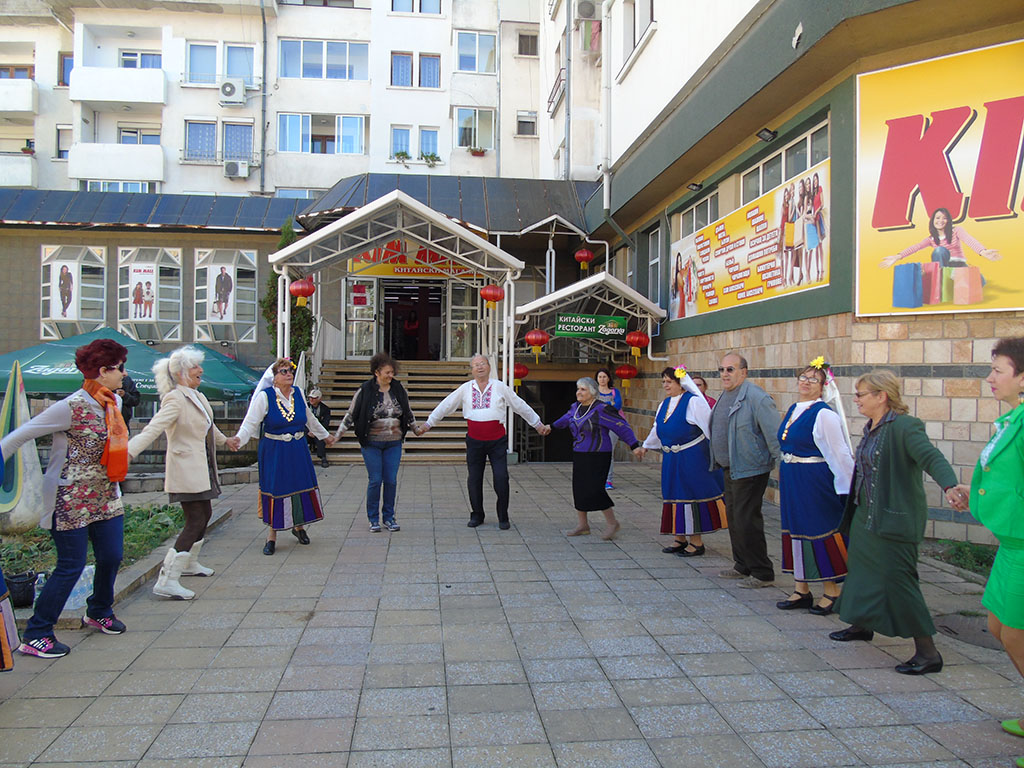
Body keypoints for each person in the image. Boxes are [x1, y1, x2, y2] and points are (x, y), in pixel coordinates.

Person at [0, 338, 129, 659]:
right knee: (71, 565)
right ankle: (37, 633)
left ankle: (99, 610)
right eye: (120, 368)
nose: (124, 374)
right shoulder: (69, 407)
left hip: (106, 494)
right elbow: (17, 437)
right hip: (69, 497)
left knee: (112, 556)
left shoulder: (113, 403)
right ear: (103, 371)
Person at [830, 369, 965, 676]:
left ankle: (928, 653)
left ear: (882, 396)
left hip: (894, 518)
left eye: (861, 394)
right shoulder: (872, 426)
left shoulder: (905, 426)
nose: (856, 399)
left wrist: (950, 486)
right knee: (861, 572)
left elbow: (931, 457)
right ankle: (861, 625)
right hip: (865, 514)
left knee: (900, 581)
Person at [954, 337, 1024, 749]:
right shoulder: (1012, 419)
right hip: (1012, 545)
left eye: (998, 370)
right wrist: (976, 493)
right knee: (999, 627)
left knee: (1015, 634)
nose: (990, 377)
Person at [127, 347, 229, 600]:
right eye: (195, 367)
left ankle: (190, 564)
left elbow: (209, 426)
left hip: (202, 467)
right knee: (195, 519)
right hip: (185, 469)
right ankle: (167, 580)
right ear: (181, 373)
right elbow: (154, 428)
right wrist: (128, 452)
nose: (201, 370)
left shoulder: (197, 396)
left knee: (205, 515)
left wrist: (228, 441)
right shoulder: (175, 399)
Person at [416, 354, 549, 529]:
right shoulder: (466, 388)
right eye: (476, 365)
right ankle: (477, 515)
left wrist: (537, 424)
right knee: (474, 479)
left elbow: (519, 405)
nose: (480, 367)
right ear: (472, 369)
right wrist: (428, 424)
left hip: (497, 441)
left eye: (483, 364)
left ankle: (503, 516)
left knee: (501, 478)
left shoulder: (500, 387)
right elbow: (446, 405)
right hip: (474, 441)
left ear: (489, 367)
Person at [228, 359, 335, 555]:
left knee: (299, 485)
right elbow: (250, 422)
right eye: (283, 371)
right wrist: (238, 440)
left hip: (298, 448)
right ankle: (272, 535)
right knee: (277, 488)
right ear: (274, 378)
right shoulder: (265, 397)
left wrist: (325, 436)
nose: (289, 374)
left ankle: (299, 526)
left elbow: (309, 419)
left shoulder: (298, 394)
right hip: (275, 450)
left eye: (290, 371)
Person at [775, 359, 854, 615]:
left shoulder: (824, 414)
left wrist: (847, 490)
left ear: (823, 386)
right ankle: (801, 589)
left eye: (813, 379)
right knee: (795, 527)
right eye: (803, 377)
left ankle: (832, 591)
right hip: (793, 478)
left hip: (813, 480)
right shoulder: (794, 409)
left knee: (817, 528)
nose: (806, 382)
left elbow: (839, 453)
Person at [708, 351, 780, 587]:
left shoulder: (757, 398)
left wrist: (783, 467)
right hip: (730, 468)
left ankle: (762, 572)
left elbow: (774, 435)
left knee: (746, 519)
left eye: (730, 369)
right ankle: (742, 564)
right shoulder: (726, 394)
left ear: (744, 372)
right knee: (734, 517)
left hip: (750, 469)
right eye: (721, 370)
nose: (724, 374)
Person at [639, 366, 726, 558]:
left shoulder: (694, 402)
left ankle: (697, 542)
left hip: (692, 458)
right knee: (673, 494)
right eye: (663, 382)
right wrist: (645, 446)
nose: (665, 385)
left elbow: (710, 428)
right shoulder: (664, 404)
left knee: (690, 495)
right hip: (671, 459)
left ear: (681, 383)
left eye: (669, 382)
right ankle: (679, 538)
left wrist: (719, 455)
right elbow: (657, 428)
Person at [551, 376, 641, 540]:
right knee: (579, 488)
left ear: (592, 392)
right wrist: (549, 427)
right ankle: (583, 525)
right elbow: (565, 420)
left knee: (595, 489)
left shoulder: (602, 409)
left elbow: (622, 426)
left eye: (583, 389)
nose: (579, 392)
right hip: (580, 453)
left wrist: (634, 445)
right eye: (578, 389)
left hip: (599, 454)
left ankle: (612, 523)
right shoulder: (575, 408)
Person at [337, 353, 417, 533]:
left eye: (392, 372)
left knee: (391, 480)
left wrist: (416, 429)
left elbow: (408, 411)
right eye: (387, 372)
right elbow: (351, 415)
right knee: (375, 480)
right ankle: (373, 518)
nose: (391, 375)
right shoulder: (365, 390)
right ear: (376, 372)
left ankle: (389, 517)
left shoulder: (398, 389)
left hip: (393, 443)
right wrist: (338, 435)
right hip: (372, 443)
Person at [880, 207, 1001, 270]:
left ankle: (954, 278)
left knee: (980, 282)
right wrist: (898, 256)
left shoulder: (956, 230)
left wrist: (982, 251)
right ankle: (941, 279)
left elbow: (969, 240)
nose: (940, 221)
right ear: (933, 221)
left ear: (948, 221)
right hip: (943, 267)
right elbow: (916, 247)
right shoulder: (931, 239)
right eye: (937, 218)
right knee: (939, 251)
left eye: (944, 218)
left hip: (958, 265)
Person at [595, 367, 623, 490]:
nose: (602, 379)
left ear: (608, 378)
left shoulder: (614, 391)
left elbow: (617, 405)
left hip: (613, 425)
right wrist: (609, 404)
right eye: (600, 377)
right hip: (597, 425)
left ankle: (608, 480)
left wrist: (602, 406)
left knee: (608, 452)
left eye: (604, 377)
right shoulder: (593, 392)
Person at [306, 388, 332, 468]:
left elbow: (325, 423)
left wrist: (316, 432)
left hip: (318, 430)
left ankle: (323, 457)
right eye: (310, 397)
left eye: (314, 398)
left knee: (321, 437)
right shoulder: (305, 407)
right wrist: (309, 431)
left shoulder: (325, 409)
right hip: (307, 430)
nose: (311, 399)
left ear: (319, 399)